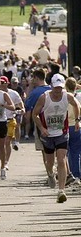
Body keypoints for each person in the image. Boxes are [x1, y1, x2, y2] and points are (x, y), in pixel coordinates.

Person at [32, 74, 81, 203]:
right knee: (49, 162)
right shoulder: (44, 97)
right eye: (56, 88)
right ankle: (50, 173)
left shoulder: (67, 96)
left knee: (61, 159)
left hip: (62, 132)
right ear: (52, 86)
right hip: (47, 134)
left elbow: (77, 105)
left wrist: (77, 120)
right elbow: (35, 114)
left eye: (60, 88)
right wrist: (42, 128)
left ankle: (61, 191)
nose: (58, 91)